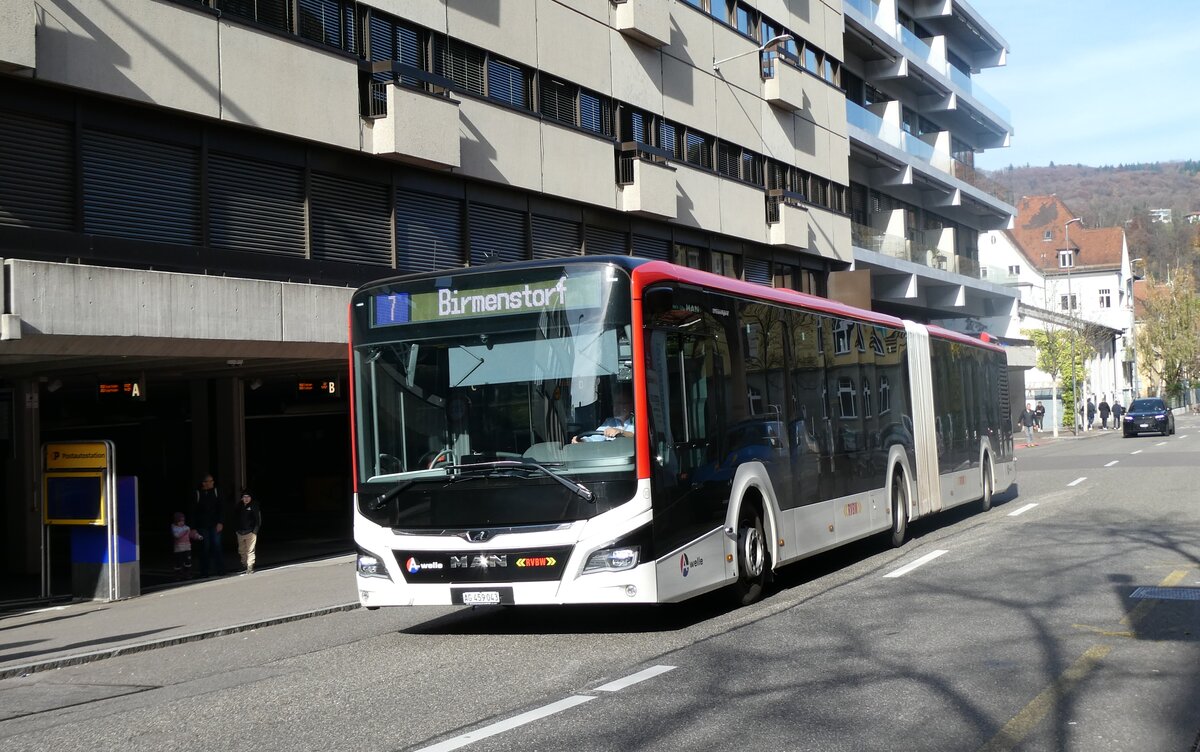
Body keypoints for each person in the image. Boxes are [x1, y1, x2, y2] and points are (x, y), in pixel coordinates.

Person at [191, 473, 225, 577]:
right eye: (210, 481)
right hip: (202, 525)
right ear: (204, 483)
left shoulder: (216, 492)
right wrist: (193, 528)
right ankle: (204, 572)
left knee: (217, 546)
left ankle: (220, 570)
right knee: (204, 548)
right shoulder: (197, 493)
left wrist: (220, 522)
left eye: (212, 481)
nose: (212, 483)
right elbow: (192, 511)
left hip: (215, 524)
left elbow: (221, 508)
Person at [235, 489, 262, 575]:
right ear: (242, 498)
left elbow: (258, 519)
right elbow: (234, 518)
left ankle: (250, 566)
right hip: (240, 532)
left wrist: (255, 531)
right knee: (242, 550)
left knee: (250, 550)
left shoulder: (254, 506)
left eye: (248, 496)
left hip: (250, 532)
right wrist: (236, 530)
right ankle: (244, 564)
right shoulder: (239, 506)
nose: (246, 498)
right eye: (244, 497)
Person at [170, 511, 202, 580]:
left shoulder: (186, 527)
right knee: (178, 562)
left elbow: (191, 534)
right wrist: (184, 531)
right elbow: (177, 535)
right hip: (178, 549)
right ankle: (177, 574)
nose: (182, 523)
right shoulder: (174, 528)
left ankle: (187, 573)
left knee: (188, 561)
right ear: (176, 521)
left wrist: (198, 536)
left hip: (187, 548)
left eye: (183, 521)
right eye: (179, 521)